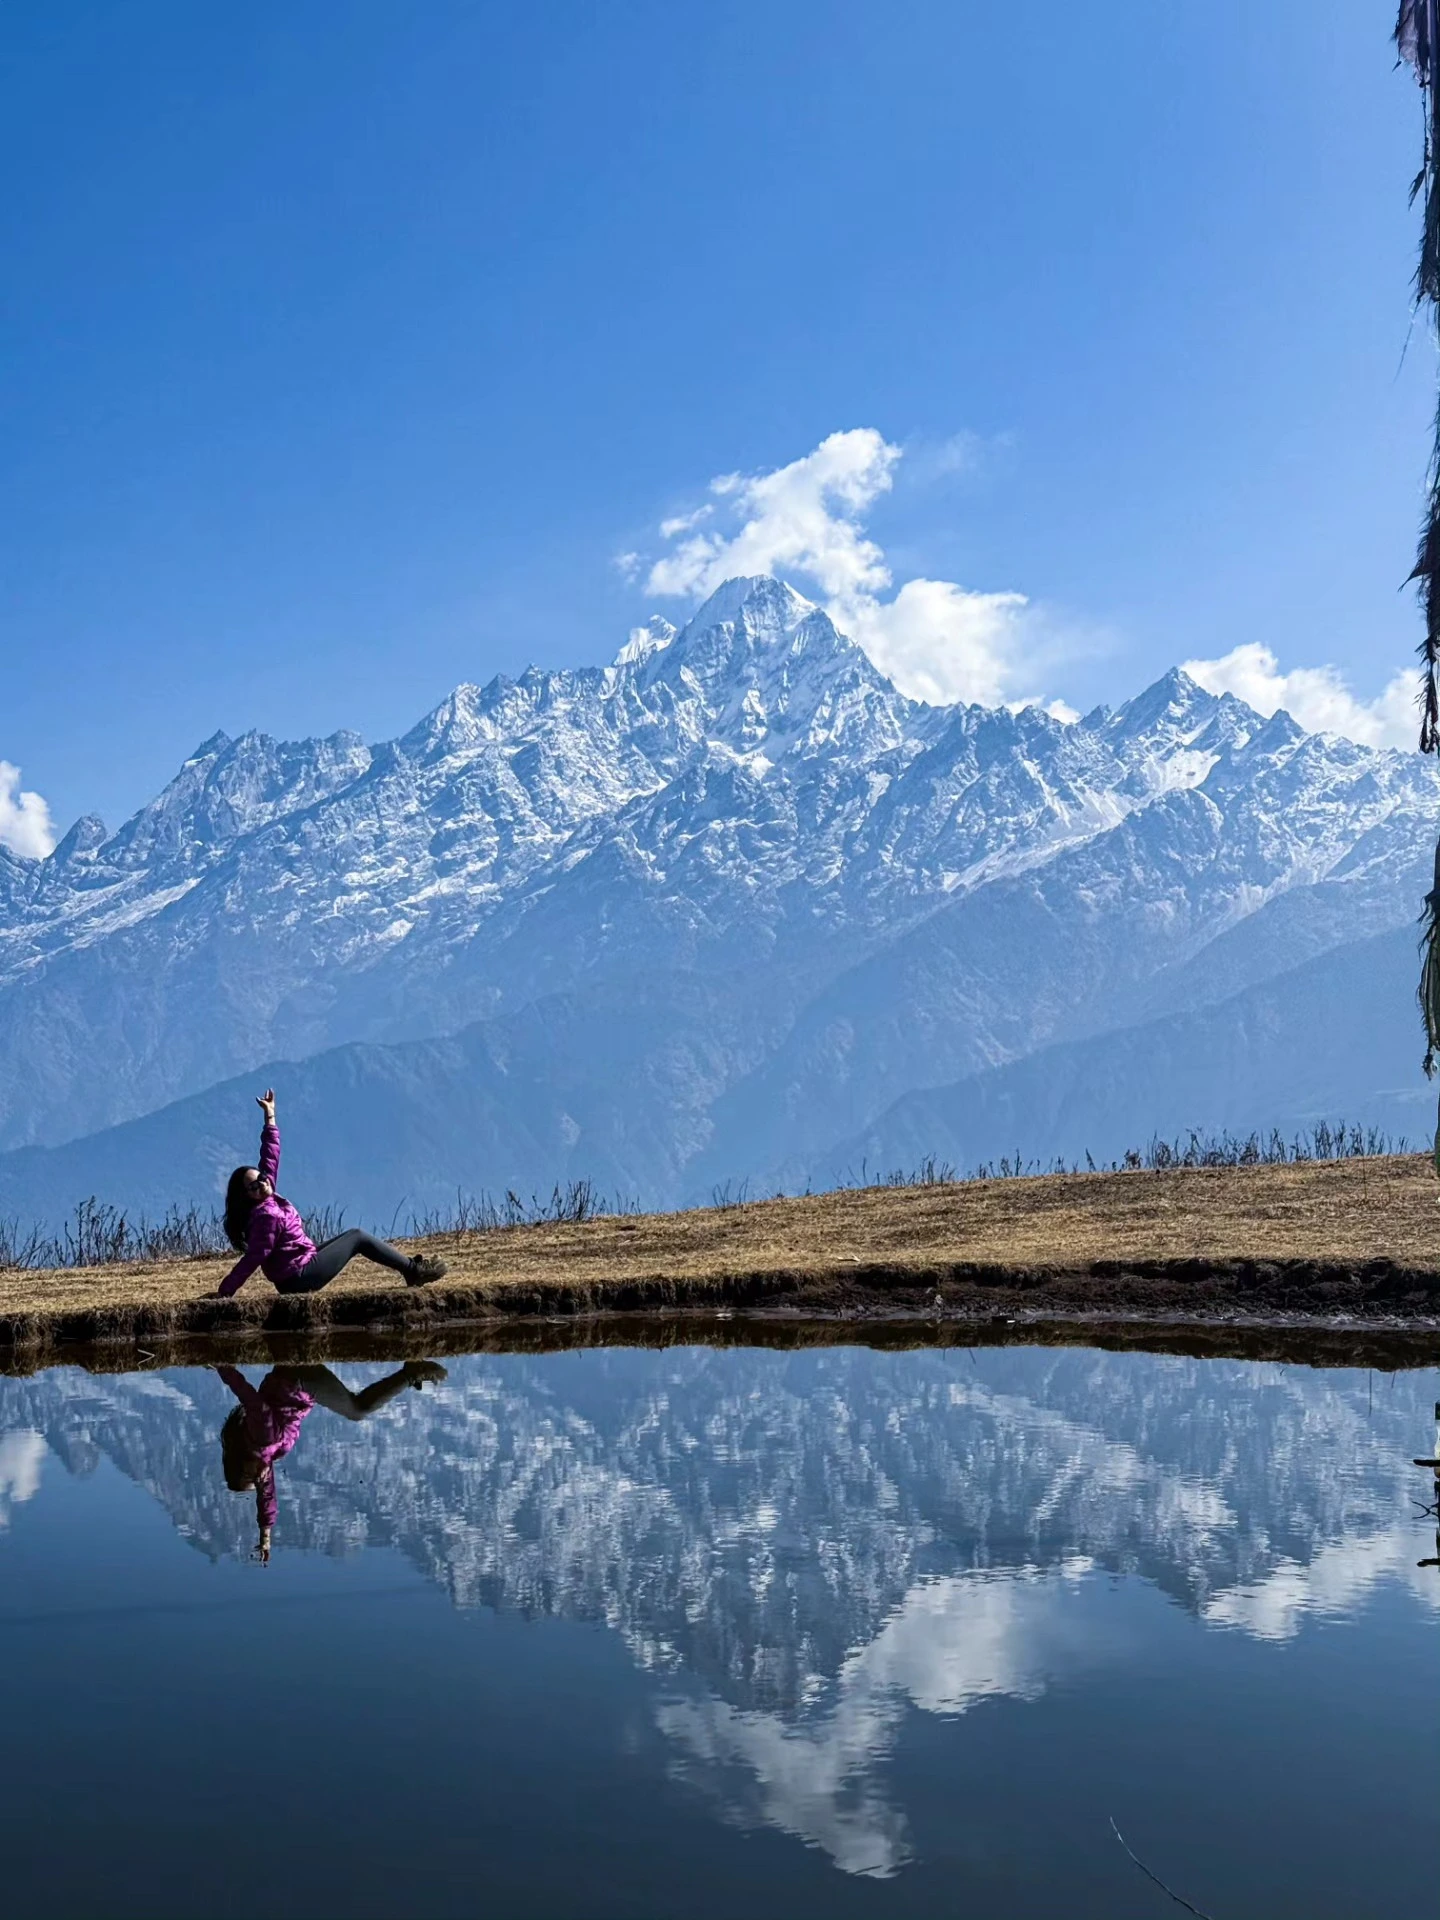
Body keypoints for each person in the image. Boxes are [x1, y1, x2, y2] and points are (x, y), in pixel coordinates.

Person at [217, 1088, 447, 1297]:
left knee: (353, 1237)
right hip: (298, 1278)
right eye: (254, 1186)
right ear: (247, 1196)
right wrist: (226, 1291)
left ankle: (412, 1270)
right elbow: (255, 1257)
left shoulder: (267, 1193)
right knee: (357, 1237)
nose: (261, 1183)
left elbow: (270, 1154)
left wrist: (270, 1115)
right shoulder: (267, 1215)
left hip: (298, 1266)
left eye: (261, 1178)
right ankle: (413, 1271)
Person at [217, 1360, 447, 1563]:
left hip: (300, 1382)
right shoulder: (262, 1458)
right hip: (292, 1381)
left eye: (251, 1477)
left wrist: (224, 1368)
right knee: (354, 1406)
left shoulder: (263, 1439)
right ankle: (406, 1379)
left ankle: (410, 1374)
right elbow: (267, 1497)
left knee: (358, 1409)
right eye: (255, 1483)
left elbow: (251, 1399)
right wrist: (265, 1537)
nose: (259, 1480)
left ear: (242, 1463)